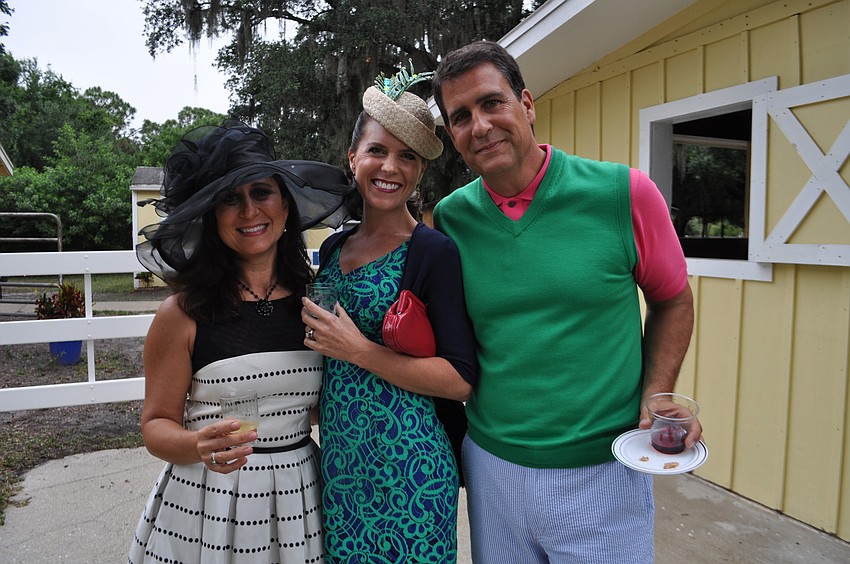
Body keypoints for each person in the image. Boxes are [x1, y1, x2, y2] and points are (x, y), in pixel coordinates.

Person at [431, 41, 700, 563]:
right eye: (460, 117)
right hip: (491, 468)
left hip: (604, 468)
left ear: (527, 104)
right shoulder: (450, 219)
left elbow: (673, 300)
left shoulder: (624, 194)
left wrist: (656, 393)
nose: (480, 126)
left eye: (492, 103)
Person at [128, 120, 352, 563]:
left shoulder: (316, 302)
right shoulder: (182, 313)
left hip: (300, 497)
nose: (249, 211)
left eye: (261, 192)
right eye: (230, 199)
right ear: (211, 216)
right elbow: (156, 425)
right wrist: (197, 445)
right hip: (207, 500)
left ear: (285, 206)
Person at [301, 64, 478, 562]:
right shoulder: (333, 249)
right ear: (352, 157)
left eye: (407, 156)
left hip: (413, 468)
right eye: (377, 150)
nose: (390, 167)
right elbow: (320, 346)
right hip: (342, 465)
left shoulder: (433, 253)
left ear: (420, 171)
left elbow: (460, 380)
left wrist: (359, 351)